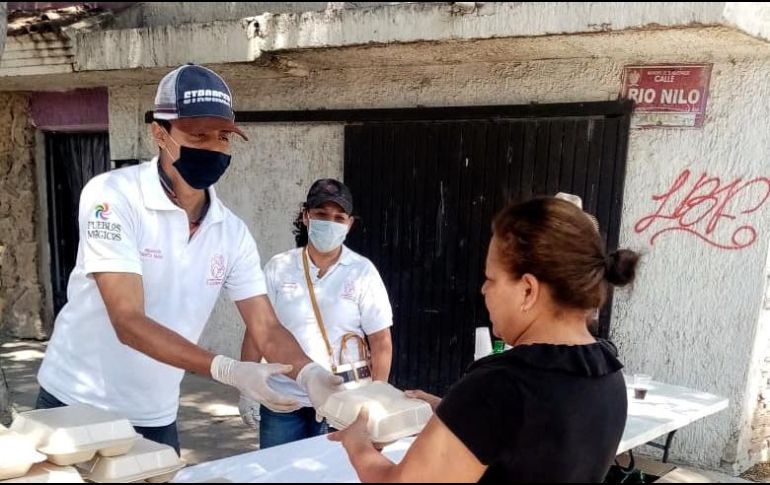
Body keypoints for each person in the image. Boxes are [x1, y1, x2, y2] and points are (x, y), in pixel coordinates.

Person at [35, 64, 343, 453]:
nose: (213, 147)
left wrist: (309, 372)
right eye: (198, 134)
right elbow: (128, 321)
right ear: (159, 133)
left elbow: (265, 326)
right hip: (74, 403)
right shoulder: (114, 197)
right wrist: (228, 369)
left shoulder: (231, 232)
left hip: (156, 415)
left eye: (222, 137)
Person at [331, 196, 639, 482]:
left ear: (528, 291)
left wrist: (356, 443)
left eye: (491, 279)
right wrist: (449, 412)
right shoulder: (608, 372)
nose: (483, 290)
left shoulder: (500, 386)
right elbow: (536, 440)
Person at [239, 179, 394, 448]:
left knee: (331, 475)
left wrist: (375, 397)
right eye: (321, 214)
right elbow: (257, 329)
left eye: (338, 217)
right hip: (283, 401)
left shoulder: (362, 271)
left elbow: (381, 341)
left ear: (349, 224)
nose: (329, 222)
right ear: (306, 217)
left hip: (343, 403)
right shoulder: (279, 267)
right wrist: (247, 389)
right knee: (277, 475)